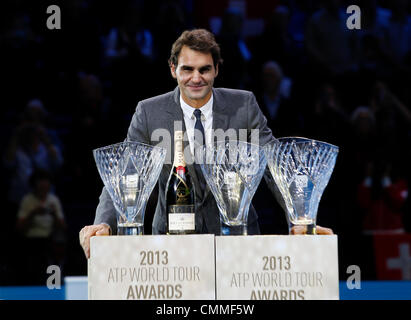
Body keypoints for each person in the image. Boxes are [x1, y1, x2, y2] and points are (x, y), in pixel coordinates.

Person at [80, 29, 333, 258]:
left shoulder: (243, 106)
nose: (196, 78)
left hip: (236, 240)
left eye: (204, 69)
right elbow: (127, 173)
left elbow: (275, 166)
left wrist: (301, 219)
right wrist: (103, 222)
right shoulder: (149, 112)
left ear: (216, 70)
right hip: (171, 241)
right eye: (187, 69)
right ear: (173, 69)